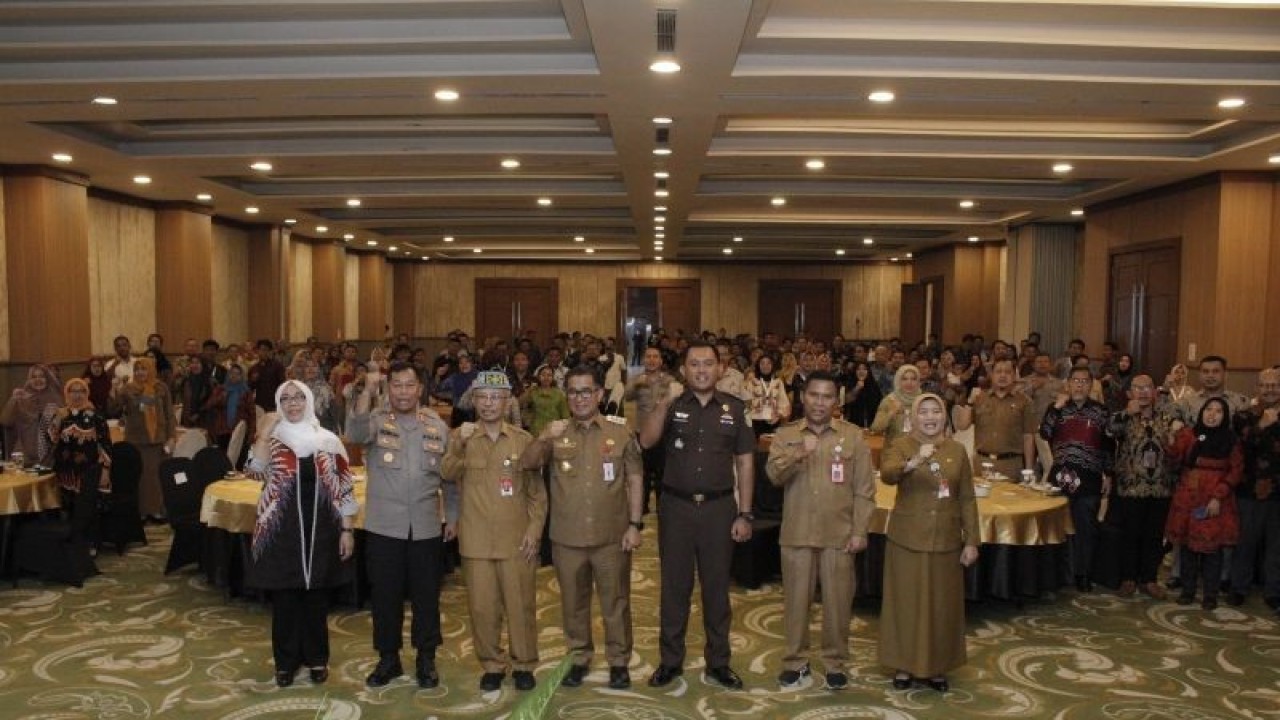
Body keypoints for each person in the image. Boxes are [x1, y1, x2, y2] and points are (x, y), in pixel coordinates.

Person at [639, 341, 755, 690]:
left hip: (720, 509)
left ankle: (718, 662)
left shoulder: (735, 409)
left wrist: (745, 513)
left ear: (721, 368)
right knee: (674, 588)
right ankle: (670, 661)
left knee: (716, 590)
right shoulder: (672, 404)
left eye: (708, 363)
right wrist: (663, 402)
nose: (701, 369)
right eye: (694, 364)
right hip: (676, 507)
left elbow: (745, 462)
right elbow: (646, 441)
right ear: (684, 370)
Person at [519, 366, 644, 690]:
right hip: (567, 538)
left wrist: (634, 524)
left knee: (615, 603)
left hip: (611, 538)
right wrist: (544, 435)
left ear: (600, 395)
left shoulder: (620, 432)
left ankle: (619, 661)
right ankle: (579, 658)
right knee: (573, 605)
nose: (580, 398)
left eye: (586, 391)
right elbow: (527, 463)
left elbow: (634, 478)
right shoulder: (556, 432)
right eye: (573, 392)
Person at [346, 361, 457, 689]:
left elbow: (449, 478)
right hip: (384, 527)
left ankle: (426, 658)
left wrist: (453, 514)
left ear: (420, 388)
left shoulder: (437, 426)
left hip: (425, 526)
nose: (404, 392)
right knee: (385, 596)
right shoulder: (377, 422)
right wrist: (368, 388)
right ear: (389, 388)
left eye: (410, 385)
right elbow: (353, 432)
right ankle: (388, 659)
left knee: (426, 596)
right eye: (397, 385)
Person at [765, 371, 874, 690]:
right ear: (803, 396)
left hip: (839, 535)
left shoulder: (853, 436)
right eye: (814, 395)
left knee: (839, 602)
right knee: (796, 603)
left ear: (836, 400)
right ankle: (795, 662)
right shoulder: (786, 435)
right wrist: (799, 453)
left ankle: (835, 662)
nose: (819, 402)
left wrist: (860, 530)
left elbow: (864, 489)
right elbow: (773, 475)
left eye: (827, 396)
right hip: (797, 532)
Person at [245, 381, 357, 687]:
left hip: (321, 529)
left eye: (298, 398)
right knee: (284, 600)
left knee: (316, 599)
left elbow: (345, 486)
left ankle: (317, 659)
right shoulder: (273, 440)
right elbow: (254, 472)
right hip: (281, 531)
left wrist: (347, 529)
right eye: (285, 398)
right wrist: (265, 433)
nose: (293, 403)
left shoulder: (328, 440)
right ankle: (285, 663)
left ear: (308, 401)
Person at [441, 371, 546, 692]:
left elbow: (536, 493)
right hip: (475, 540)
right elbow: (445, 472)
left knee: (521, 606)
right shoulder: (461, 436)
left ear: (506, 401)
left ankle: (524, 663)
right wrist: (457, 444)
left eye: (495, 397)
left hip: (516, 539)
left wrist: (534, 530)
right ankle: (491, 664)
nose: (488, 404)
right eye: (482, 397)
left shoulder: (522, 440)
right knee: (482, 608)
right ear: (474, 401)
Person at [878, 393, 979, 693]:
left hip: (946, 540)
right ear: (913, 417)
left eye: (937, 411)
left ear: (944, 416)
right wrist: (915, 461)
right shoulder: (900, 445)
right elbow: (888, 474)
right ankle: (903, 664)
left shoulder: (957, 450)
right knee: (904, 605)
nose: (931, 417)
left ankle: (937, 667)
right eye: (924, 412)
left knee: (941, 607)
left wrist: (972, 540)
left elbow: (967, 498)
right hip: (907, 539)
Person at [1106, 374, 1180, 599]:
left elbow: (1179, 442)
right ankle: (1128, 578)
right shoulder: (1124, 416)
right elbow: (1109, 430)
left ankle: (1149, 579)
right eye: (1138, 388)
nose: (1143, 392)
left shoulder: (1167, 417)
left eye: (1148, 387)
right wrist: (1127, 413)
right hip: (1131, 486)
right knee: (1130, 534)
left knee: (1154, 536)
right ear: (1130, 393)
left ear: (1155, 392)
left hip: (1160, 486)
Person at [1166, 397, 1242, 610]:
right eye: (1209, 409)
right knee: (1188, 548)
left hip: (1215, 499)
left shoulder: (1231, 439)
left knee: (1212, 552)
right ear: (1202, 412)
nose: (1212, 414)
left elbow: (1236, 470)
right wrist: (1171, 440)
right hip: (1188, 496)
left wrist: (1218, 495)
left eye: (1218, 411)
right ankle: (1188, 591)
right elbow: (1174, 461)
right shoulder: (1189, 434)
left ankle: (1210, 595)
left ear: (1224, 416)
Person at [1040, 366, 1111, 592]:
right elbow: (1045, 433)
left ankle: (1083, 574)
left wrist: (1108, 474)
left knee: (1085, 529)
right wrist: (1057, 408)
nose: (1079, 385)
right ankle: (1058, 576)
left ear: (1091, 385)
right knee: (1057, 527)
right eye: (1075, 381)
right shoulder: (1057, 409)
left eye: (1084, 381)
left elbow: (1109, 447)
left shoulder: (1101, 412)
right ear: (1068, 384)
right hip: (1059, 478)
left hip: (1089, 479)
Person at [1229, 369, 1280, 609]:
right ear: (1257, 388)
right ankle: (1239, 588)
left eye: (1275, 385)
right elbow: (1244, 448)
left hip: (1279, 491)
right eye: (1265, 385)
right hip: (1249, 490)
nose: (1270, 389)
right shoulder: (1244, 416)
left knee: (1276, 547)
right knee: (1245, 543)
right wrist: (1263, 425)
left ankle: (1273, 592)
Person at [48, 378, 112, 551]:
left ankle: (91, 543)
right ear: (67, 394)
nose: (77, 395)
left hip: (89, 471)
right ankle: (71, 543)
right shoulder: (61, 414)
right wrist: (56, 420)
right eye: (72, 391)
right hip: (65, 471)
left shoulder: (96, 416)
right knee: (67, 507)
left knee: (88, 508)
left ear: (87, 394)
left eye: (81, 391)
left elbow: (105, 444)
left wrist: (105, 469)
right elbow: (51, 439)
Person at [111, 357, 176, 521]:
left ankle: (156, 510)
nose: (140, 372)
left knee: (155, 478)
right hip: (136, 441)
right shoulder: (128, 389)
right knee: (140, 478)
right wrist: (115, 392)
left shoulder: (161, 388)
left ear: (151, 370)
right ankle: (140, 511)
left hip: (158, 441)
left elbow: (169, 414)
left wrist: (171, 437)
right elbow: (113, 409)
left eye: (144, 368)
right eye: (137, 369)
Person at [953, 359, 1036, 478]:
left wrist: (1029, 469)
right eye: (998, 371)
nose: (1003, 375)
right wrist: (969, 402)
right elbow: (962, 425)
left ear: (1014, 376)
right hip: (982, 463)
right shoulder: (979, 398)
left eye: (1008, 372)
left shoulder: (1024, 401)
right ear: (991, 375)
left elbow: (1028, 437)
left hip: (1011, 464)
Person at [624, 347, 682, 514]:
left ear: (661, 361)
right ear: (643, 360)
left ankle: (662, 509)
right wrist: (636, 384)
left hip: (664, 433)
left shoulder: (670, 381)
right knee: (642, 474)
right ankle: (641, 510)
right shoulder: (637, 379)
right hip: (641, 433)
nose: (651, 360)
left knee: (663, 474)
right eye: (648, 356)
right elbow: (627, 396)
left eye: (655, 357)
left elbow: (677, 401)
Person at [2, 364, 63, 466]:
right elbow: (5, 421)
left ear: (47, 379)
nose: (37, 380)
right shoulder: (21, 398)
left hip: (49, 458)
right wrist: (13, 400)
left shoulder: (56, 400)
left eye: (41, 376)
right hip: (23, 456)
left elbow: (60, 430)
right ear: (29, 380)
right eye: (34, 377)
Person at [870, 364, 923, 443]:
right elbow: (876, 428)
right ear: (898, 381)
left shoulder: (924, 401)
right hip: (894, 449)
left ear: (918, 382)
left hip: (920, 449)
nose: (909, 383)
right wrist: (891, 413)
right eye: (904, 379)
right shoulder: (889, 400)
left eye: (913, 379)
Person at [744, 354, 791, 436]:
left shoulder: (778, 382)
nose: (765, 366)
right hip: (755, 421)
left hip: (774, 422)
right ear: (758, 366)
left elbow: (784, 402)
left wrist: (778, 414)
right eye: (762, 363)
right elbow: (747, 403)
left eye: (768, 363)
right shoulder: (752, 382)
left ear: (773, 366)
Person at [841, 361, 882, 428]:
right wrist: (857, 389)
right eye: (858, 369)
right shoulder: (850, 383)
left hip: (870, 423)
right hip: (852, 422)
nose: (861, 371)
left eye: (864, 369)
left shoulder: (874, 385)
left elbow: (879, 405)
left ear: (868, 372)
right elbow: (846, 400)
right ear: (855, 371)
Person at [249, 339, 287, 412]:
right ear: (257, 351)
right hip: (259, 403)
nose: (263, 352)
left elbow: (282, 384)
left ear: (270, 351)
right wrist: (253, 380)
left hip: (274, 403)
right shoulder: (254, 368)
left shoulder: (277, 366)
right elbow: (250, 387)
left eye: (265, 350)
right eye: (260, 350)